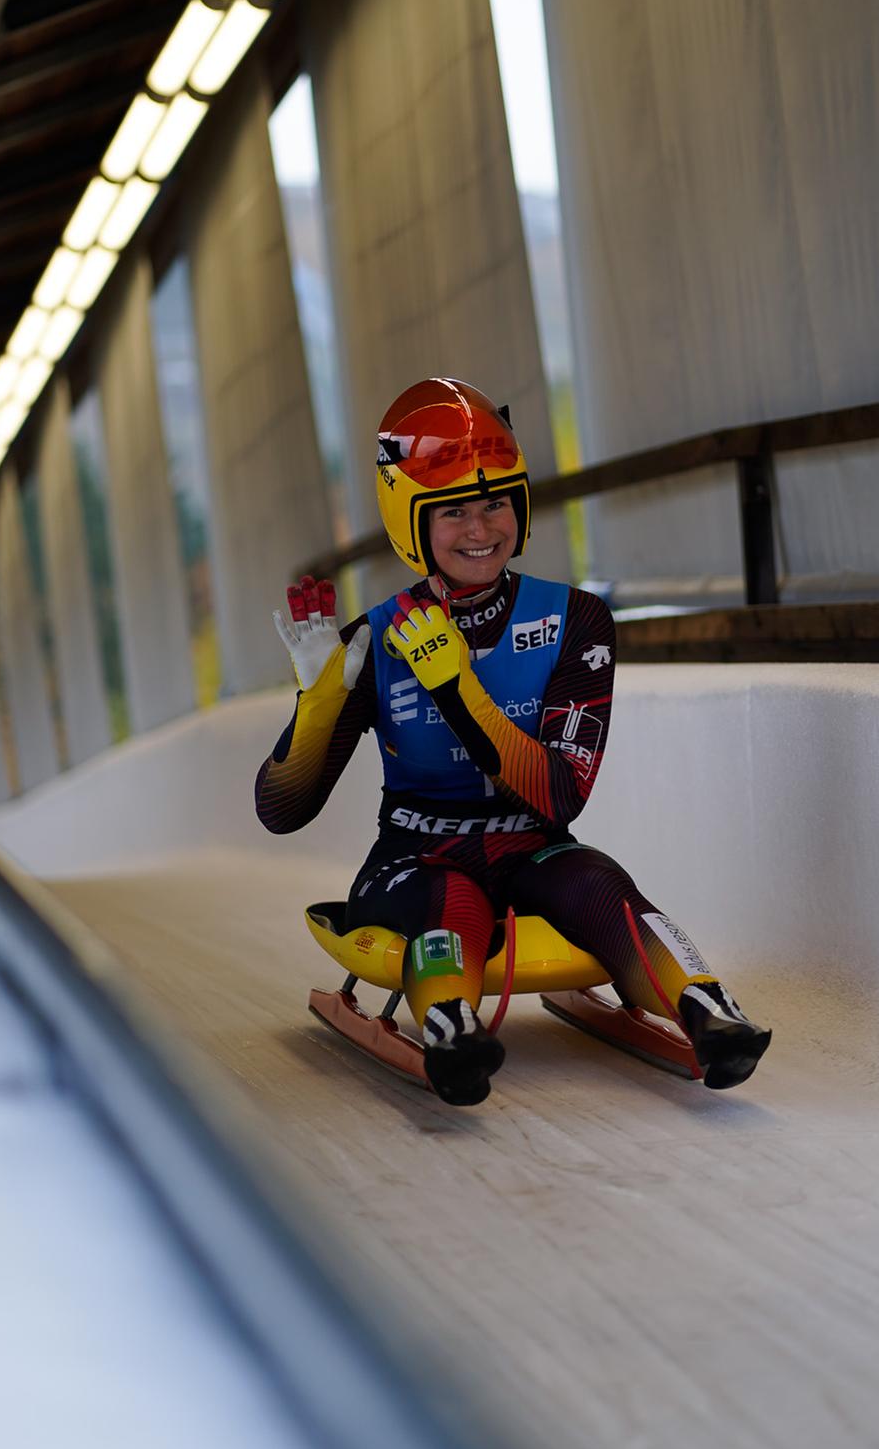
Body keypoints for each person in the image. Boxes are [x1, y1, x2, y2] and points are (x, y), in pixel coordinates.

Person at [255, 377, 770, 1106]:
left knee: (599, 882)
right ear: (412, 523)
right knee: (449, 899)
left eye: (496, 501)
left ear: (520, 506)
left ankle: (710, 1011)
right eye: (454, 510)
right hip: (416, 856)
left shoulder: (576, 621)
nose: (480, 529)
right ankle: (451, 1031)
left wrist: (460, 688)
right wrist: (321, 701)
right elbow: (282, 809)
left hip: (534, 846)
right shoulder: (374, 640)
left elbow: (562, 792)